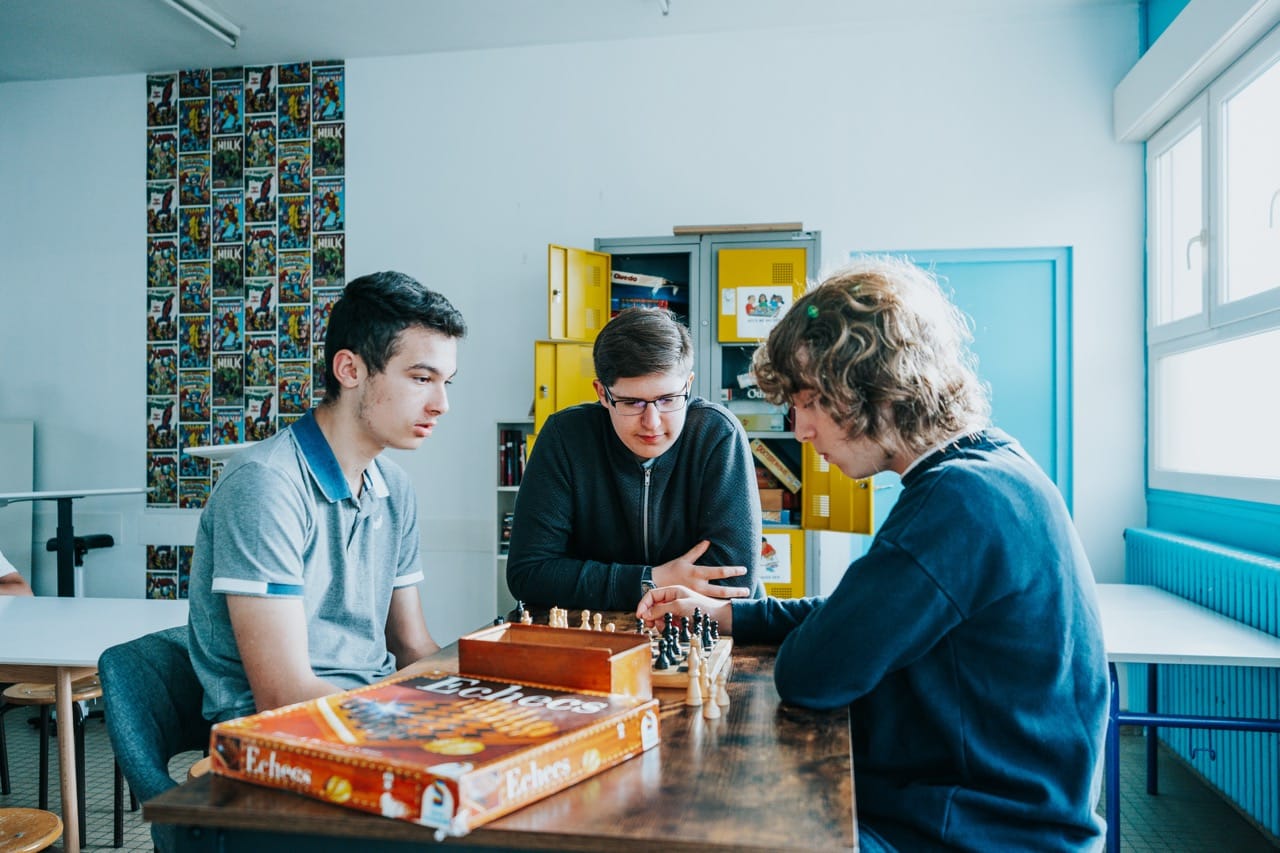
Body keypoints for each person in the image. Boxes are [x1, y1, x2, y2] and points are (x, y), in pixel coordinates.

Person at [638, 256, 1108, 852]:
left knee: (697, 822)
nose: (801, 430)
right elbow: (862, 610)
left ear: (868, 386)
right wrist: (730, 614)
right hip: (990, 815)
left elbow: (811, 673)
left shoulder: (958, 502)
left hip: (974, 834)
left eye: (808, 401)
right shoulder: (993, 465)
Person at [188, 271, 466, 722]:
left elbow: (412, 645)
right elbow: (281, 694)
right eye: (421, 378)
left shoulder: (393, 487)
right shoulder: (265, 485)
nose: (441, 404)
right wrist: (417, 720)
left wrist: (491, 692)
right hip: (281, 736)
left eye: (446, 383)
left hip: (373, 717)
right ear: (350, 369)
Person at [506, 307, 763, 613]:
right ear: (602, 393)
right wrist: (649, 579)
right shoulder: (564, 437)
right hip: (596, 638)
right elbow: (530, 574)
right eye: (632, 402)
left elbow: (731, 581)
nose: (652, 422)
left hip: (700, 634)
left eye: (668, 400)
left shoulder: (719, 434)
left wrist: (595, 582)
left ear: (688, 383)